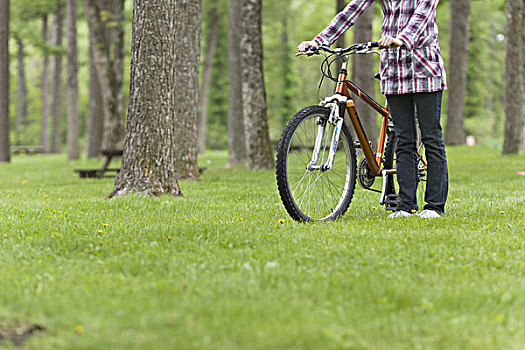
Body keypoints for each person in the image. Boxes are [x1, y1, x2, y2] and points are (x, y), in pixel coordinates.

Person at [298, 0, 448, 219]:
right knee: (404, 139)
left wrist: (402, 39)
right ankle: (406, 206)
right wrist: (320, 40)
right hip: (394, 71)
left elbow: (422, 14)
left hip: (423, 66)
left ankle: (434, 206)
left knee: (431, 137)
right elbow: (351, 11)